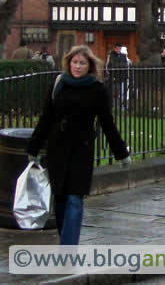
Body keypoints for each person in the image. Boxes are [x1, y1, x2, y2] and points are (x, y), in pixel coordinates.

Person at [26, 45, 130, 244]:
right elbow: (46, 118)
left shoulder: (97, 89)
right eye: (75, 62)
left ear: (90, 65)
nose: (78, 66)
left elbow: (107, 123)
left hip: (81, 149)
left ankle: (68, 249)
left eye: (82, 63)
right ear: (69, 63)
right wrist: (34, 147)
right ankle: (65, 238)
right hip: (58, 148)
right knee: (60, 199)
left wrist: (121, 153)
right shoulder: (58, 84)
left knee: (75, 198)